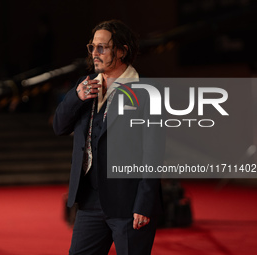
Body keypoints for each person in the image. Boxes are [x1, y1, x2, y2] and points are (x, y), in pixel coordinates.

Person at [53, 20, 165, 255]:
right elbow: (60, 127)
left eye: (102, 47)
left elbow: (154, 153)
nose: (95, 53)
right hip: (90, 201)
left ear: (122, 51)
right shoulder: (86, 86)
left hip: (129, 203)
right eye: (92, 47)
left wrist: (144, 204)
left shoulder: (147, 92)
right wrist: (75, 97)